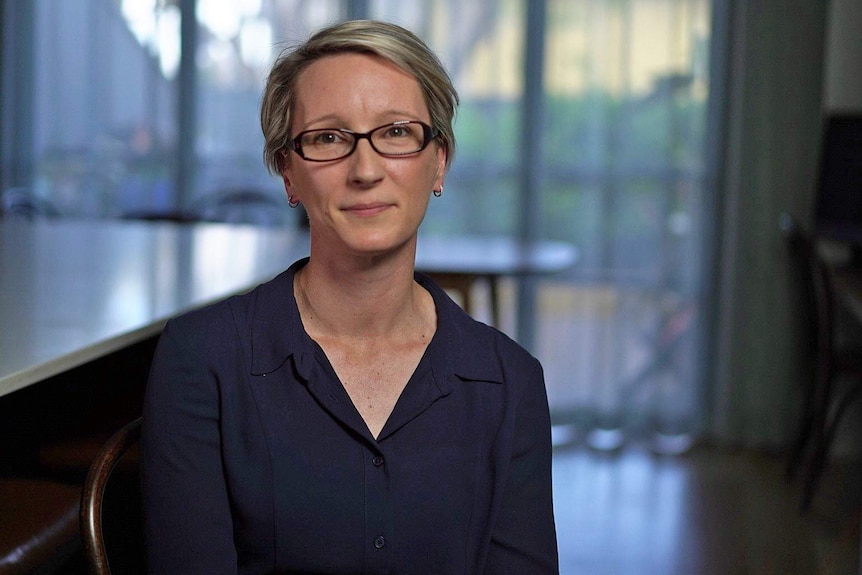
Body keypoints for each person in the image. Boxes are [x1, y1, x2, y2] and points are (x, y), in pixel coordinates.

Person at [141, 19, 559, 575]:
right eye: (328, 138)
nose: (365, 170)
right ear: (287, 173)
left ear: (439, 161)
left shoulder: (511, 382)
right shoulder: (200, 359)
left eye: (395, 132)